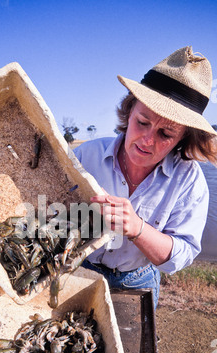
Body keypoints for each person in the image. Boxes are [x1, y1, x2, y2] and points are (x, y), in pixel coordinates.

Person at [73, 46, 217, 310]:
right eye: (142, 122)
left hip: (138, 280)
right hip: (81, 269)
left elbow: (181, 255)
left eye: (166, 134)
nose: (148, 140)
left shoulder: (189, 182)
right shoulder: (86, 156)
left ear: (182, 138)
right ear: (129, 112)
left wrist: (138, 228)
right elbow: (50, 212)